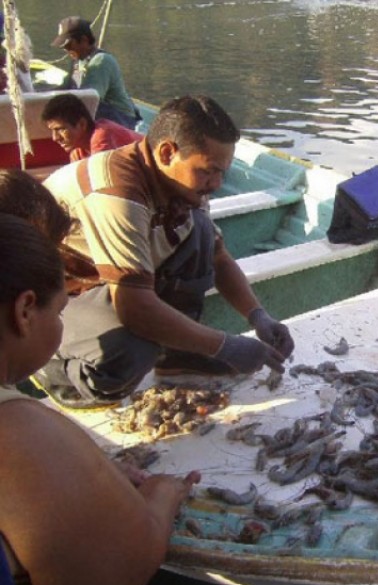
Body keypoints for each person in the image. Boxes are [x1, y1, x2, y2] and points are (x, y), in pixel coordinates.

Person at [38, 95, 294, 410]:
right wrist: (224, 347)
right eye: (208, 171)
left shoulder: (185, 183)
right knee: (132, 349)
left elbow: (219, 258)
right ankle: (56, 371)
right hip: (51, 300)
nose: (215, 183)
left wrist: (258, 315)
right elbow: (135, 309)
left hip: (107, 282)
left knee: (199, 230)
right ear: (167, 152)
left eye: (221, 173)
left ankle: (178, 356)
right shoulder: (116, 192)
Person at [0, 213, 201, 585]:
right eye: (60, 311)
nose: (62, 326)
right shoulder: (16, 430)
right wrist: (162, 495)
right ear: (25, 311)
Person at [51, 16, 139, 129]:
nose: (66, 50)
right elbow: (65, 88)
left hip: (121, 120)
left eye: (68, 45)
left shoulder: (101, 61)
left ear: (84, 40)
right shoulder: (78, 61)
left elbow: (89, 100)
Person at [41, 92, 143, 162]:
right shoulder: (77, 153)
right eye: (52, 131)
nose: (55, 138)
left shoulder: (102, 135)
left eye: (60, 129)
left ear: (82, 124)